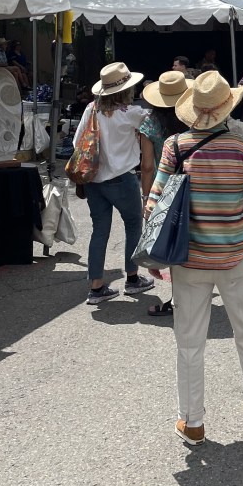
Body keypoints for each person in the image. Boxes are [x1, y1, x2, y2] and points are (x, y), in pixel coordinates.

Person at [146, 71, 243, 444]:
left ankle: (193, 423)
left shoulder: (175, 146)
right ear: (226, 108)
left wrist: (155, 256)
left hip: (188, 261)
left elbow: (154, 204)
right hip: (236, 256)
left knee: (189, 342)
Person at [75, 62, 155, 304]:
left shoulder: (91, 109)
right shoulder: (131, 113)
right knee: (133, 225)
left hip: (93, 179)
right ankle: (132, 278)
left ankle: (96, 287)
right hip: (122, 179)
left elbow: (78, 142)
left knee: (100, 230)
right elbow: (155, 125)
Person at [139, 70, 188, 317]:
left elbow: (147, 166)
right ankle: (194, 295)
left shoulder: (149, 124)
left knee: (172, 243)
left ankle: (179, 300)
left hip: (165, 191)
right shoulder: (191, 117)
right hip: (192, 185)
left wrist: (146, 197)